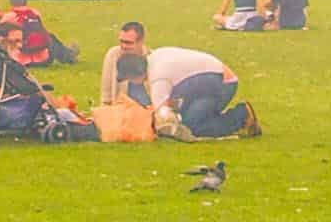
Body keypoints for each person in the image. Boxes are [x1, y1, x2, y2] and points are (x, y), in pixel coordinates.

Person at [105, 22, 260, 139]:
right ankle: (235, 119)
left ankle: (241, 115)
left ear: (136, 76)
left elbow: (163, 114)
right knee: (188, 118)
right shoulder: (155, 58)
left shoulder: (158, 77)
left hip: (220, 84)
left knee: (193, 127)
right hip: (207, 83)